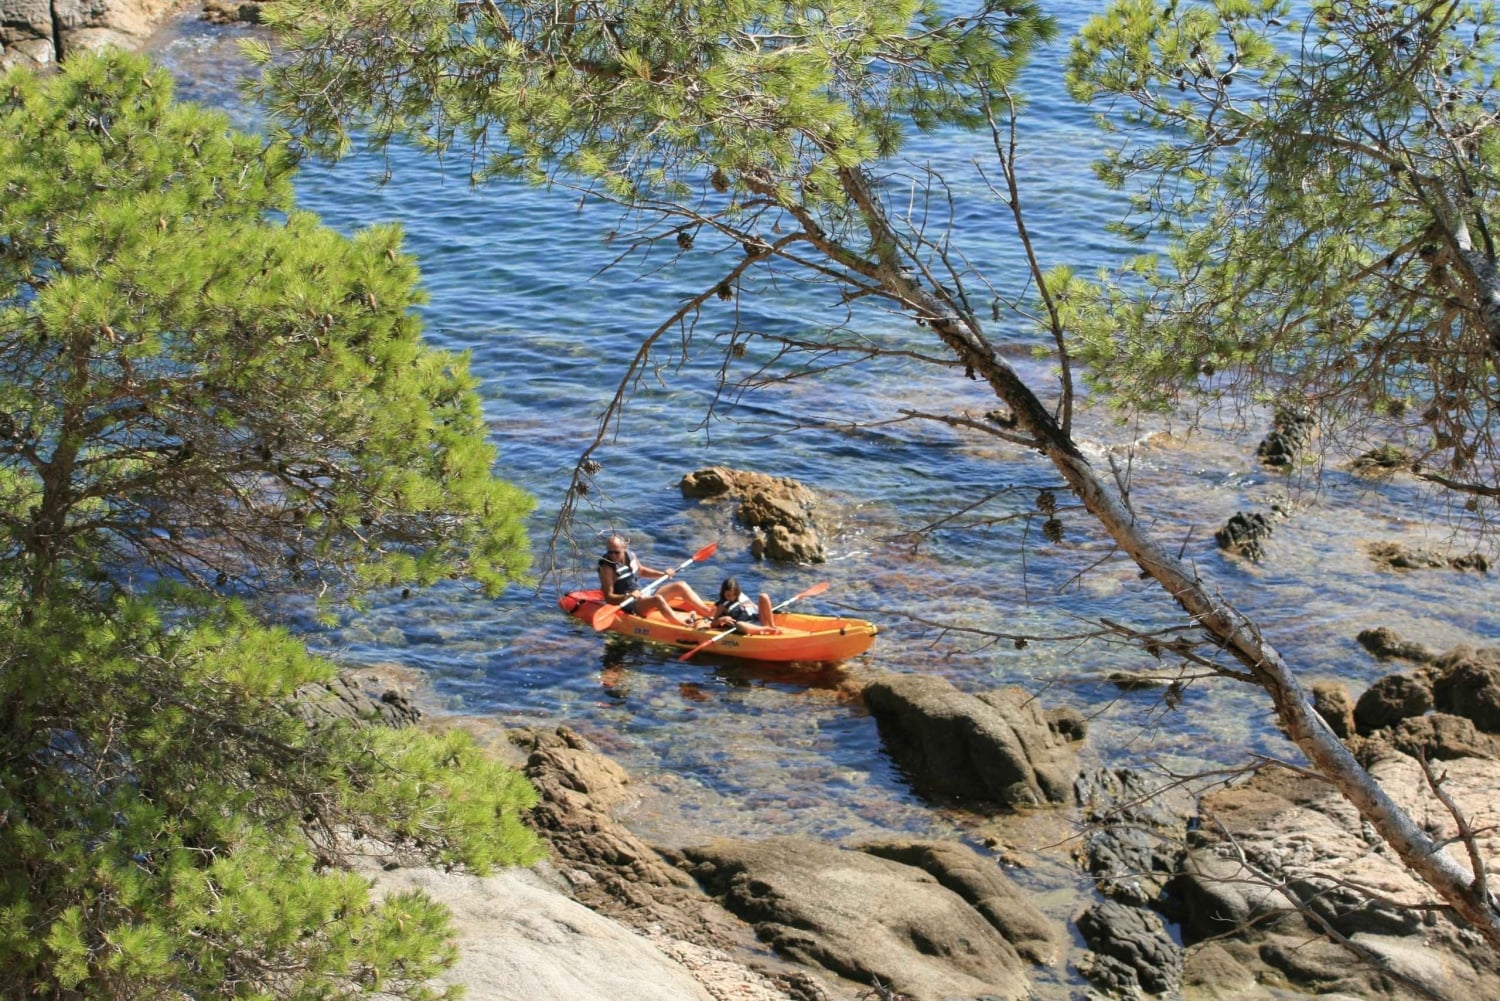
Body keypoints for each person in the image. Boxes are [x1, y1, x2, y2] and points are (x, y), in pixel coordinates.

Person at [597, 534, 714, 627]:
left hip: (642, 594)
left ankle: (708, 612)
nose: (612, 556)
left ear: (624, 548)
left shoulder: (630, 555)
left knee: (680, 585)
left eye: (616, 552)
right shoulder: (607, 568)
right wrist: (628, 596)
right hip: (630, 604)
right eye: (609, 552)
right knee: (658, 599)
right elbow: (608, 597)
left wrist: (663, 574)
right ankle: (683, 625)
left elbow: (641, 571)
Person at [708, 577, 781, 636]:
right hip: (747, 625)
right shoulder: (722, 605)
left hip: (759, 619)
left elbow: (755, 607)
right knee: (739, 624)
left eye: (734, 594)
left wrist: (765, 610)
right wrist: (722, 619)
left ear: (737, 592)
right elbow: (713, 623)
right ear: (723, 593)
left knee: (763, 596)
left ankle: (772, 626)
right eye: (728, 595)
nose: (731, 597)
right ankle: (765, 629)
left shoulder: (741, 595)